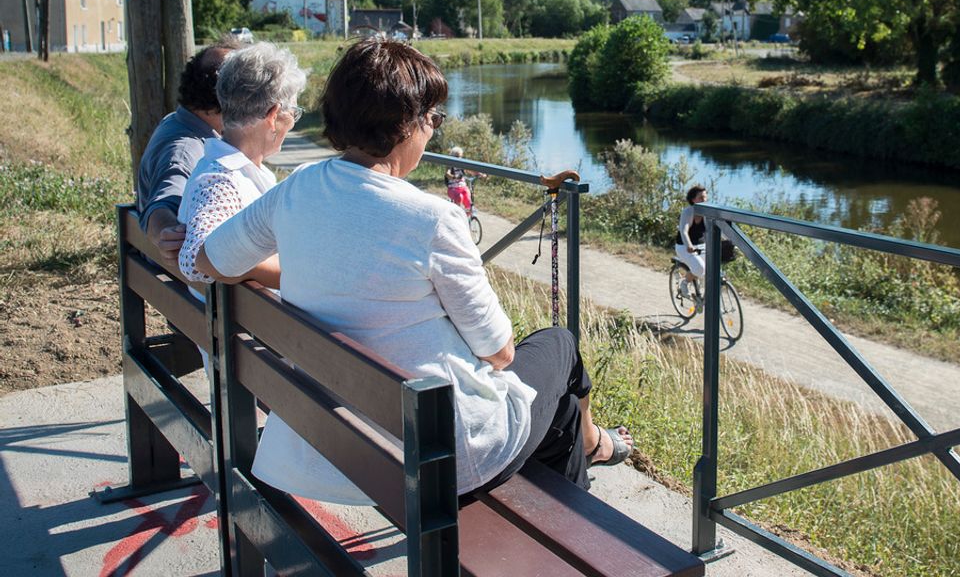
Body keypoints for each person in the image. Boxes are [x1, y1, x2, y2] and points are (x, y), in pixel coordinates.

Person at [194, 37, 631, 504]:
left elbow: (209, 260)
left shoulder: (299, 187)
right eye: (432, 119)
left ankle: (589, 445)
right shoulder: (433, 218)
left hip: (327, 443)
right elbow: (500, 352)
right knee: (559, 345)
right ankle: (591, 449)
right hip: (433, 456)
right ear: (405, 125)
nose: (432, 132)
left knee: (559, 411)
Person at [177, 42, 306, 294]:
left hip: (245, 322)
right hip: (248, 330)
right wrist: (297, 277)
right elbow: (196, 258)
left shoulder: (226, 169)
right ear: (273, 115)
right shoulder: (221, 180)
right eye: (294, 113)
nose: (292, 123)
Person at [134, 39, 240, 269]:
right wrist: (166, 232)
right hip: (188, 281)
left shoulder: (178, 122)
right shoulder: (187, 149)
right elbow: (163, 204)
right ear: (227, 96)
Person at [675, 185, 709, 286]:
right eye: (701, 198)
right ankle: (684, 283)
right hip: (684, 247)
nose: (704, 200)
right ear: (693, 200)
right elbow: (684, 231)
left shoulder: (708, 212)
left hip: (701, 246)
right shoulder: (688, 212)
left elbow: (718, 230)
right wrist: (689, 245)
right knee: (700, 268)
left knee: (711, 270)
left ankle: (703, 299)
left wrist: (731, 240)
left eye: (705, 197)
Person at [445, 146, 473, 213]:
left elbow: (470, 170)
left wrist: (480, 174)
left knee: (468, 198)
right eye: (457, 156)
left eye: (460, 156)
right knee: (459, 197)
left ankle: (467, 216)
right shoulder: (450, 165)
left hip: (463, 187)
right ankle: (457, 214)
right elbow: (447, 174)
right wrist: (454, 177)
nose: (459, 158)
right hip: (453, 188)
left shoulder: (461, 165)